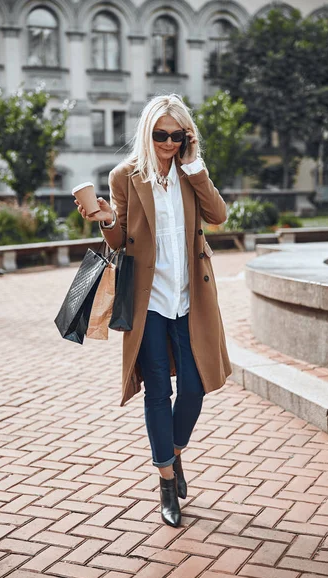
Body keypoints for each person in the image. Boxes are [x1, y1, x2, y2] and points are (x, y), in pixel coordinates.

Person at [75, 94, 231, 527]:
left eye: (177, 136)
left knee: (196, 388)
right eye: (161, 135)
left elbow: (218, 215)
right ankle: (166, 481)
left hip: (190, 299)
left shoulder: (190, 172)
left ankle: (175, 453)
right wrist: (106, 218)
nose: (168, 143)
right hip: (149, 302)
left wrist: (195, 165)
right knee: (158, 393)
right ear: (148, 132)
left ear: (187, 137)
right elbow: (121, 240)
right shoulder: (125, 176)